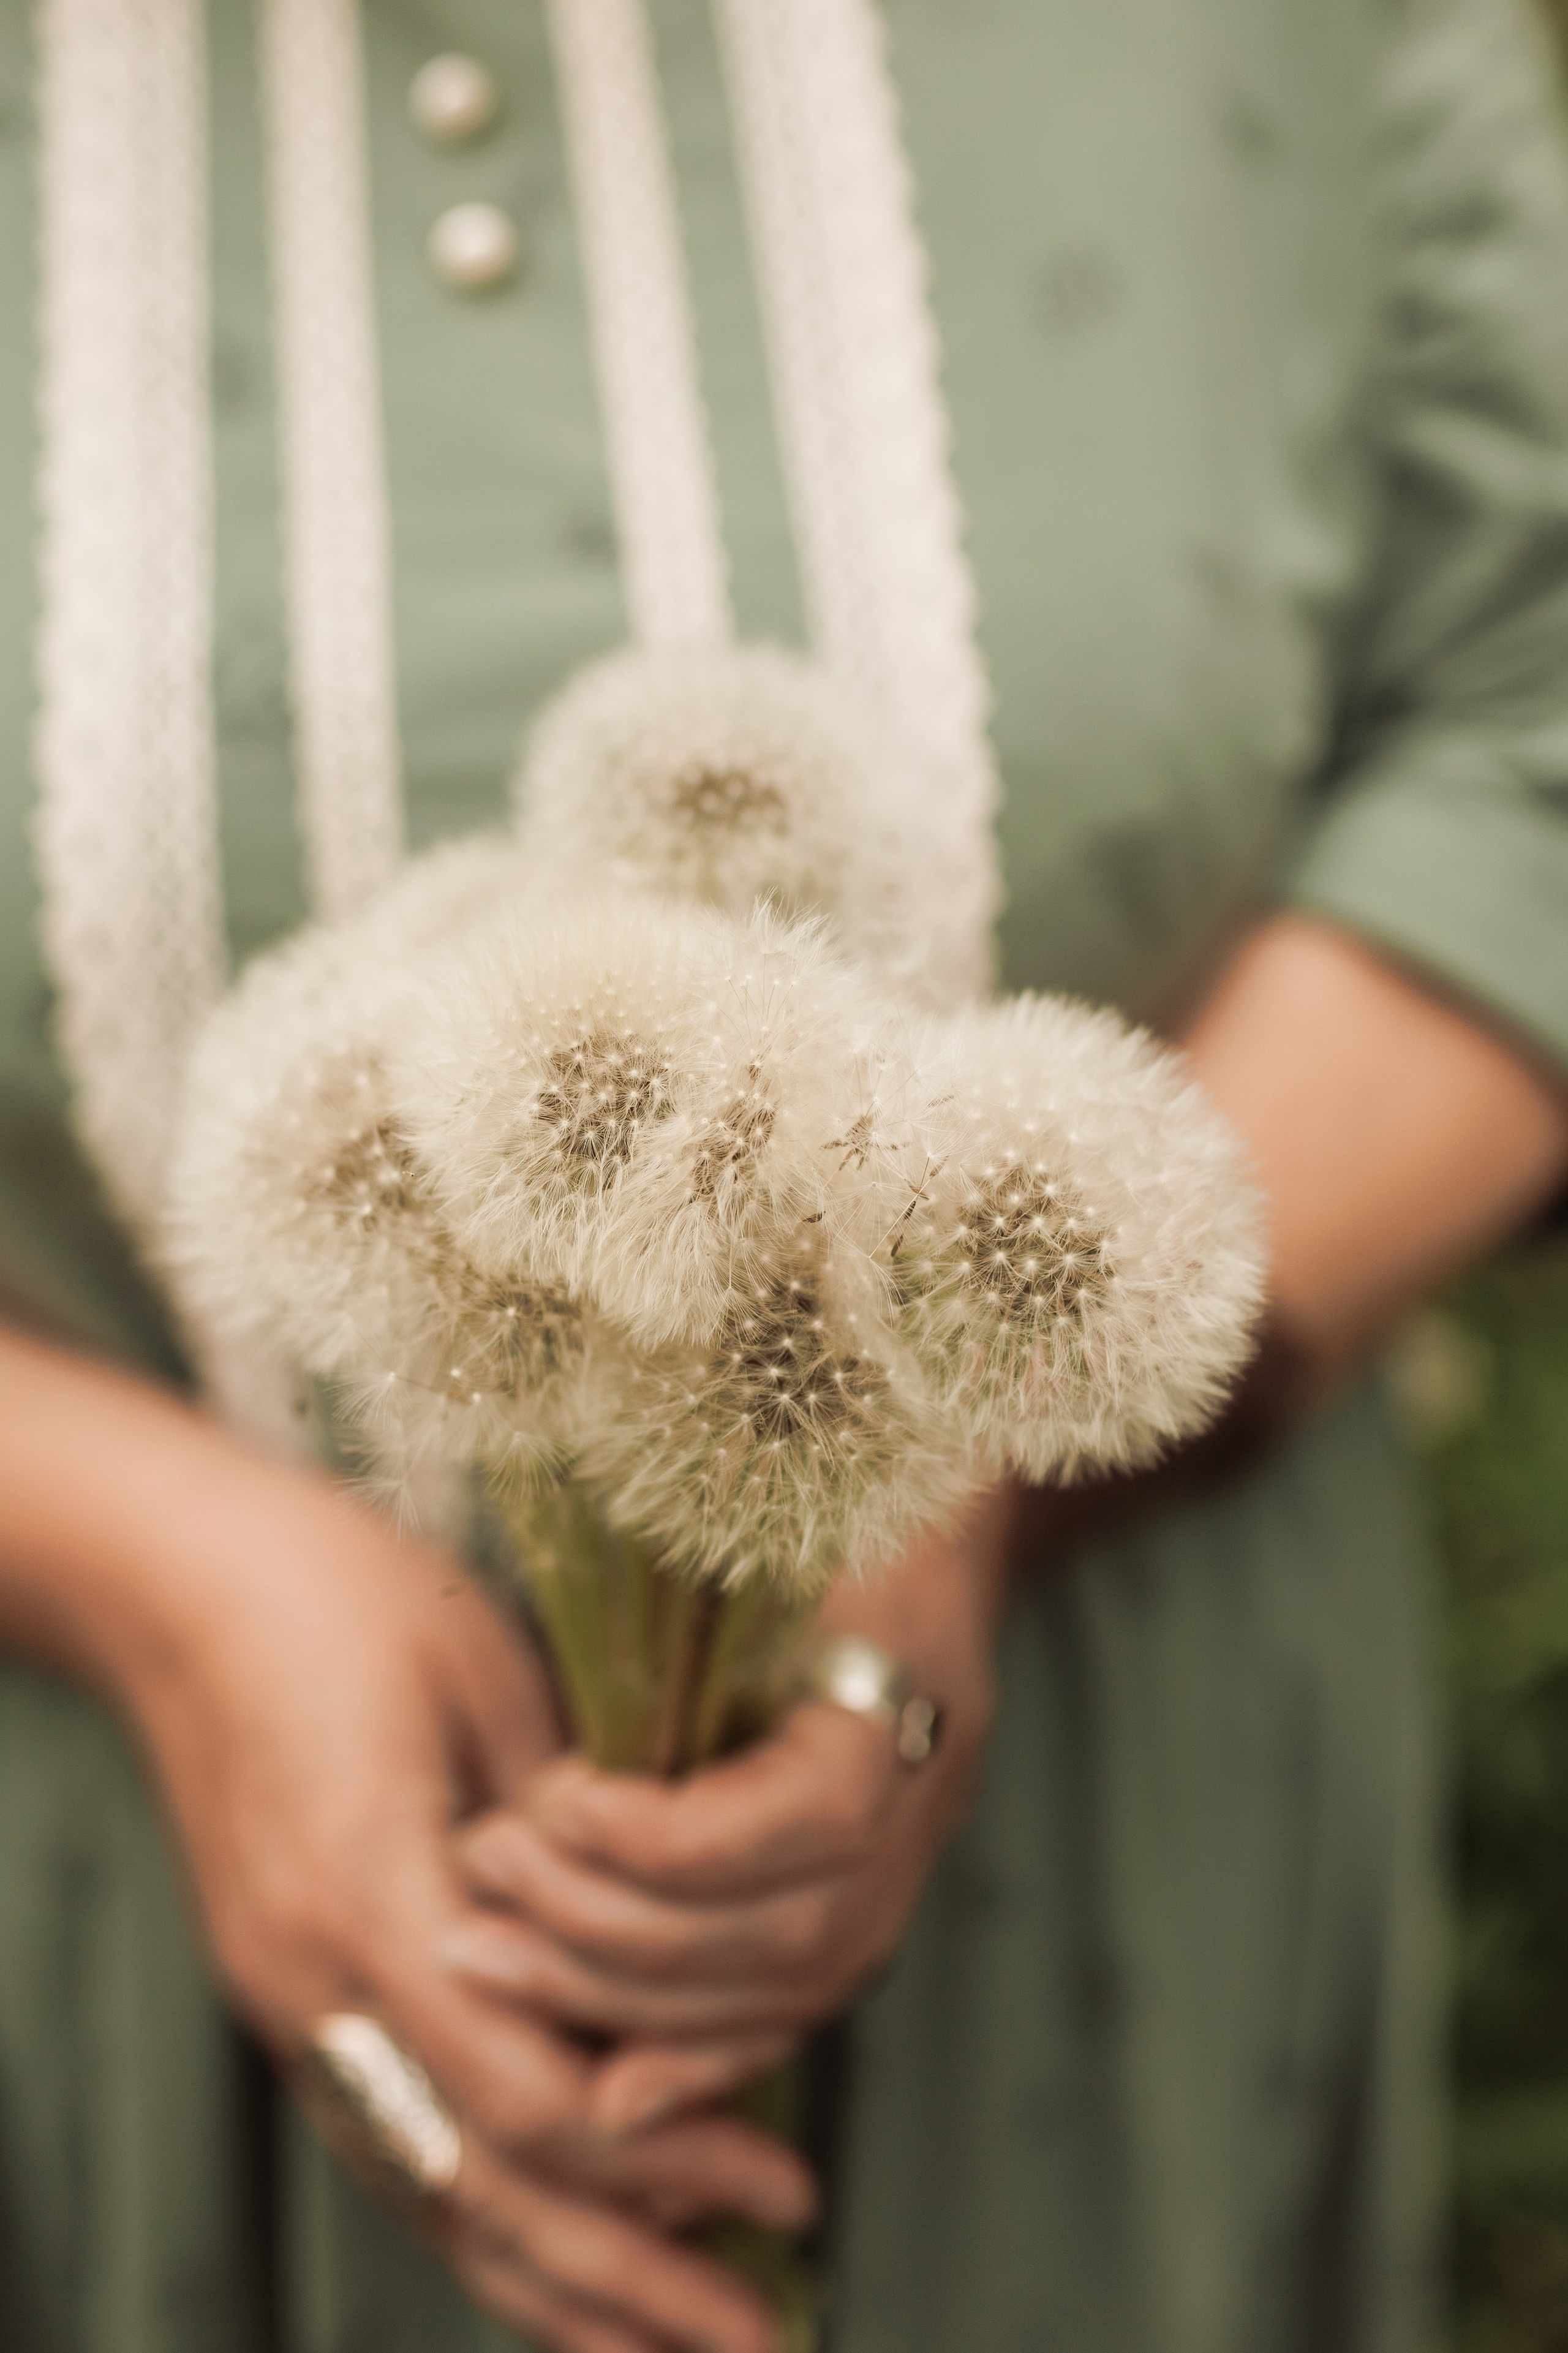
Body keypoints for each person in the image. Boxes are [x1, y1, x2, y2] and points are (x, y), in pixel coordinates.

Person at [2, 2, 1568, 2350]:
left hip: (1098, 1911)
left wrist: (967, 1461)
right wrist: (153, 1571)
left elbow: (1528, 706)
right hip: (88, 1908)